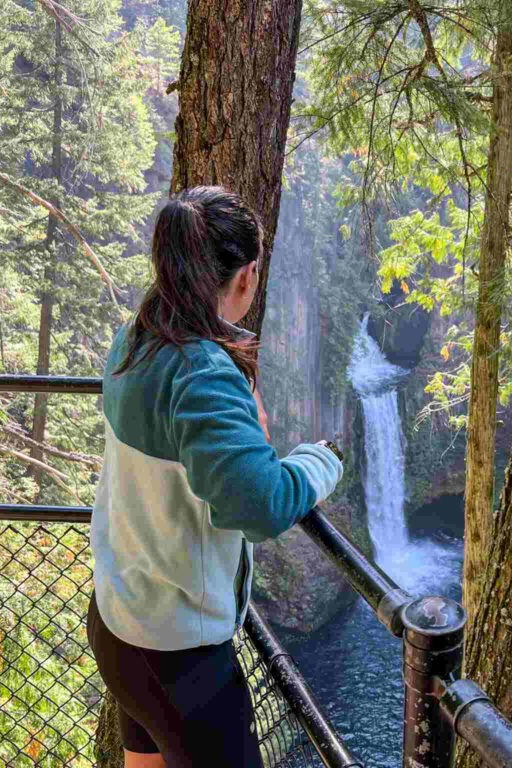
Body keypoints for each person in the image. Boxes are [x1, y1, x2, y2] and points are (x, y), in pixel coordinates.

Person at [85, 186, 343, 768]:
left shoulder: (138, 337)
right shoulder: (200, 369)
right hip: (179, 658)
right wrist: (320, 461)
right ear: (247, 277)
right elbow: (258, 505)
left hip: (119, 619)